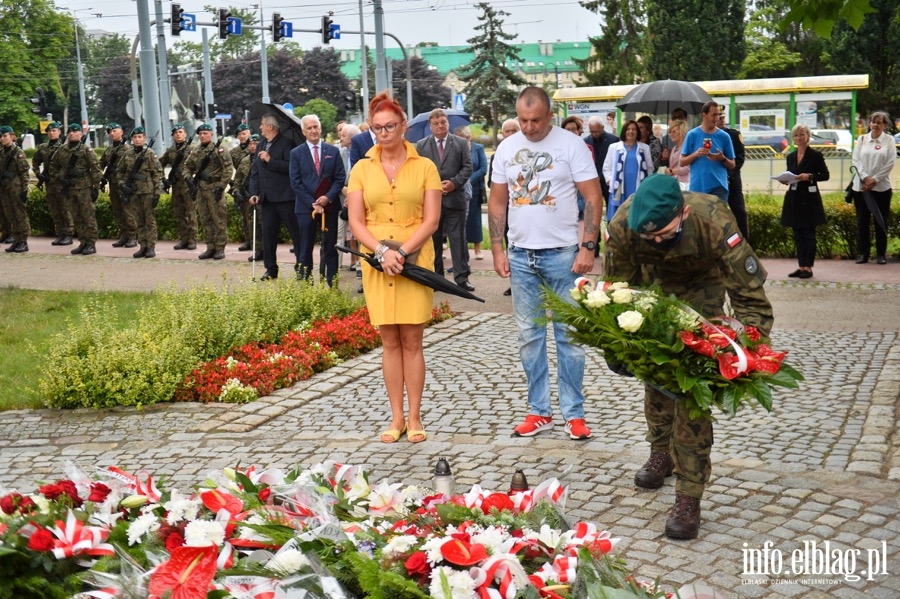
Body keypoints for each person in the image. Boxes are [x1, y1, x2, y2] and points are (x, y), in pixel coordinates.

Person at [604, 173, 773, 540]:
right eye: (651, 238)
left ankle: (688, 494)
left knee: (692, 388)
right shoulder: (622, 227)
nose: (658, 242)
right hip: (652, 289)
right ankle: (660, 451)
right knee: (657, 375)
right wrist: (616, 344)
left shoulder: (714, 219)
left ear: (682, 213)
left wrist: (747, 351)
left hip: (703, 290)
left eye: (666, 234)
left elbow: (750, 297)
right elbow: (617, 290)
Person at [489, 86, 603, 441]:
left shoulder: (570, 145)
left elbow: (593, 197)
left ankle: (574, 414)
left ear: (550, 115)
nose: (528, 127)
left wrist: (588, 247)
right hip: (522, 256)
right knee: (529, 337)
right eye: (522, 120)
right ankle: (538, 411)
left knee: (569, 337)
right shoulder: (507, 148)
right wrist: (497, 248)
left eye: (535, 120)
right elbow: (496, 202)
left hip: (564, 254)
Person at [346, 91, 442, 444]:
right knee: (389, 341)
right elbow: (357, 222)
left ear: (403, 126)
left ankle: (415, 417)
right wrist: (383, 253)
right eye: (377, 128)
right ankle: (396, 417)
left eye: (390, 126)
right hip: (376, 259)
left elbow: (431, 220)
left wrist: (401, 252)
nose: (384, 133)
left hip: (415, 256)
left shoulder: (425, 166)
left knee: (412, 340)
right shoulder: (361, 168)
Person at [417, 109, 474, 291]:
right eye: (436, 123)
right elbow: (417, 172)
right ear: (430, 126)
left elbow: (468, 167)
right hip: (432, 203)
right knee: (433, 242)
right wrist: (433, 187)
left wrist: (454, 183)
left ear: (448, 123)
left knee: (458, 241)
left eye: (443, 122)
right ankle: (436, 278)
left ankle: (462, 278)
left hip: (455, 200)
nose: (440, 126)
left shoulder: (459, 143)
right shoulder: (421, 145)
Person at [289, 114, 346, 286]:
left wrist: (327, 198)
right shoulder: (296, 154)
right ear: (303, 131)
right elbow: (295, 182)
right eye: (309, 128)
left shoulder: (333, 151)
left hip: (329, 207)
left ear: (320, 129)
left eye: (316, 127)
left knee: (330, 247)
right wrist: (312, 203)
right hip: (306, 209)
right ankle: (307, 284)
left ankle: (332, 283)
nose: (313, 131)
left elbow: (339, 178)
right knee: (305, 248)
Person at [249, 114, 301, 278]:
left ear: (270, 127)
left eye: (262, 124)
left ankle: (301, 266)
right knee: (268, 236)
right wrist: (254, 192)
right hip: (267, 199)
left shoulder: (287, 144)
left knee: (295, 234)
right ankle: (271, 269)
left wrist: (270, 160)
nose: (260, 127)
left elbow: (291, 167)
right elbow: (255, 171)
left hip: (285, 198)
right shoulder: (261, 144)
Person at [780, 124, 829, 279]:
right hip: (794, 197)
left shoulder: (815, 155)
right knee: (798, 233)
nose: (799, 138)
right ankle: (801, 266)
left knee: (809, 233)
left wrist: (809, 176)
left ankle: (808, 267)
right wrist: (785, 180)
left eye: (802, 134)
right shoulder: (790, 156)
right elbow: (790, 175)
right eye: (796, 135)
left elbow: (825, 175)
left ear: (808, 136)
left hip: (809, 199)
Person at [49, 124, 102, 256]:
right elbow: (52, 167)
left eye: (75, 131)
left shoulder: (86, 150)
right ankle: (82, 242)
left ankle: (90, 243)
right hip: (69, 188)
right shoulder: (62, 150)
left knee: (88, 216)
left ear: (81, 135)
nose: (72, 134)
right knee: (76, 216)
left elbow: (96, 170)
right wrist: (60, 178)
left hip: (84, 188)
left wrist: (95, 187)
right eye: (70, 132)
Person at [851, 111, 895, 265]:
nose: (876, 125)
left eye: (879, 122)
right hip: (861, 188)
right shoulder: (862, 139)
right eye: (873, 122)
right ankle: (863, 253)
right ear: (869, 123)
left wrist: (875, 179)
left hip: (881, 188)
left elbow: (890, 163)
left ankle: (881, 254)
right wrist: (865, 178)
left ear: (885, 125)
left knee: (880, 221)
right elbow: (856, 160)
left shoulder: (889, 140)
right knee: (862, 222)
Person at [184, 123, 232, 260]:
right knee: (205, 219)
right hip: (201, 190)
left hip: (214, 188)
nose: (203, 136)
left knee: (219, 220)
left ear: (211, 134)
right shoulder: (196, 150)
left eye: (205, 133)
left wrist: (221, 186)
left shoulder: (219, 149)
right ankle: (210, 247)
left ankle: (220, 248)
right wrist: (189, 181)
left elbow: (228, 169)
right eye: (201, 134)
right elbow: (187, 166)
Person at [117, 126, 164, 259]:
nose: (137, 139)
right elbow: (119, 172)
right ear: (132, 139)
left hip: (147, 191)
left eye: (140, 137)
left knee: (149, 221)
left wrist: (157, 192)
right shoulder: (127, 154)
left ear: (144, 138)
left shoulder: (149, 153)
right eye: (135, 137)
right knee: (139, 220)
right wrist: (122, 185)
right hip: (133, 192)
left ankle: (151, 247)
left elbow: (157, 173)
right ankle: (143, 246)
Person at [680, 102, 735, 203]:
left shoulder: (724, 136)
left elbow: (732, 164)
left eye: (718, 115)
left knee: (718, 219)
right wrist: (695, 154)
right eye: (713, 115)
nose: (716, 118)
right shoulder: (692, 135)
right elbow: (682, 162)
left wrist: (722, 158)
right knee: (698, 219)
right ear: (704, 115)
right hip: (697, 189)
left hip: (719, 189)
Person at [491, 119, 521, 297]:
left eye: (514, 130)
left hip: (527, 208)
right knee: (511, 246)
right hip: (507, 208)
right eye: (507, 131)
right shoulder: (499, 155)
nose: (510, 134)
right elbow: (492, 183)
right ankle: (515, 282)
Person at [602, 120, 654, 222]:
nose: (631, 131)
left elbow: (649, 168)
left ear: (637, 132)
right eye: (628, 129)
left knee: (636, 215)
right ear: (624, 131)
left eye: (634, 129)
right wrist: (610, 181)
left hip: (637, 187)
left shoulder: (644, 148)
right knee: (618, 219)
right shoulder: (614, 147)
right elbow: (606, 168)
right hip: (619, 189)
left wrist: (647, 184)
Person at [32, 122, 72, 246]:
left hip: (60, 183)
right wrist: (38, 174)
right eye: (49, 131)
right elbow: (35, 162)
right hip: (49, 183)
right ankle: (60, 234)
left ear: (59, 132)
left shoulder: (64, 148)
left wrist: (59, 176)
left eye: (54, 130)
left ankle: (68, 234)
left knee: (65, 209)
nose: (51, 133)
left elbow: (67, 165)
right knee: (54, 210)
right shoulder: (43, 147)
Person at [160, 124, 198, 251]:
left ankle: (192, 240)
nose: (178, 134)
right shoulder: (170, 151)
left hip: (188, 186)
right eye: (175, 132)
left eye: (180, 132)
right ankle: (184, 239)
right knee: (179, 214)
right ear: (173, 135)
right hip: (176, 186)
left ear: (185, 134)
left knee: (191, 213)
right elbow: (158, 165)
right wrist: (163, 179)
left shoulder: (192, 149)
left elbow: (199, 166)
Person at [99, 123, 137, 248]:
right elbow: (100, 165)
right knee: (118, 211)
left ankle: (132, 236)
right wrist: (102, 177)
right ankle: (124, 235)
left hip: (124, 185)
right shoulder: (109, 150)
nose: (112, 133)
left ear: (121, 132)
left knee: (128, 211)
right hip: (113, 185)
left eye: (115, 130)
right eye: (110, 131)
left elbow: (131, 168)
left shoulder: (127, 149)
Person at [456, 125, 488, 261]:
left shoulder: (478, 148)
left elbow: (483, 168)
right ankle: (462, 253)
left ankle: (477, 249)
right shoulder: (456, 148)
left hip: (474, 189)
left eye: (461, 138)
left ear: (468, 137)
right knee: (460, 222)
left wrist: (468, 179)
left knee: (474, 220)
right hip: (458, 189)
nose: (459, 140)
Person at [717, 106, 748, 241]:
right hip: (717, 180)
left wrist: (729, 176)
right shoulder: (708, 136)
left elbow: (740, 158)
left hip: (733, 181)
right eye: (719, 116)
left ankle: (746, 244)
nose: (721, 119)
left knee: (740, 213)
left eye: (723, 117)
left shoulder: (734, 135)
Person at [0, 126, 31, 254]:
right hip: (4, 188)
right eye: (1, 136)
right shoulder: (1, 152)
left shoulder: (18, 152)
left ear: (12, 136)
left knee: (20, 215)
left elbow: (24, 173)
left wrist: (24, 190)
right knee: (10, 215)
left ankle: (23, 241)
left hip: (16, 188)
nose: (2, 138)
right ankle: (16, 240)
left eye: (5, 136)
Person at [231, 134, 260, 257]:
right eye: (251, 144)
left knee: (261, 223)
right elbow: (237, 180)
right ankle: (252, 245)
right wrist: (236, 191)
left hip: (259, 196)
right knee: (248, 221)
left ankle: (262, 248)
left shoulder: (263, 159)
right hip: (246, 196)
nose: (252, 146)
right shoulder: (244, 161)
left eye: (255, 144)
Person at [584, 115, 619, 204]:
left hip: (608, 180)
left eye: (596, 131)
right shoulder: (585, 141)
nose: (594, 134)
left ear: (602, 127)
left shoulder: (613, 140)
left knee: (611, 205)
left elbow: (616, 161)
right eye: (592, 132)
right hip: (593, 180)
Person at [663, 118, 690, 189]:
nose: (671, 134)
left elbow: (688, 168)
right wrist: (668, 170)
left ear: (681, 131)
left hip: (684, 183)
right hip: (674, 182)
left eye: (674, 131)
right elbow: (672, 166)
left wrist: (673, 171)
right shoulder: (674, 148)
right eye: (670, 132)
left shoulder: (687, 147)